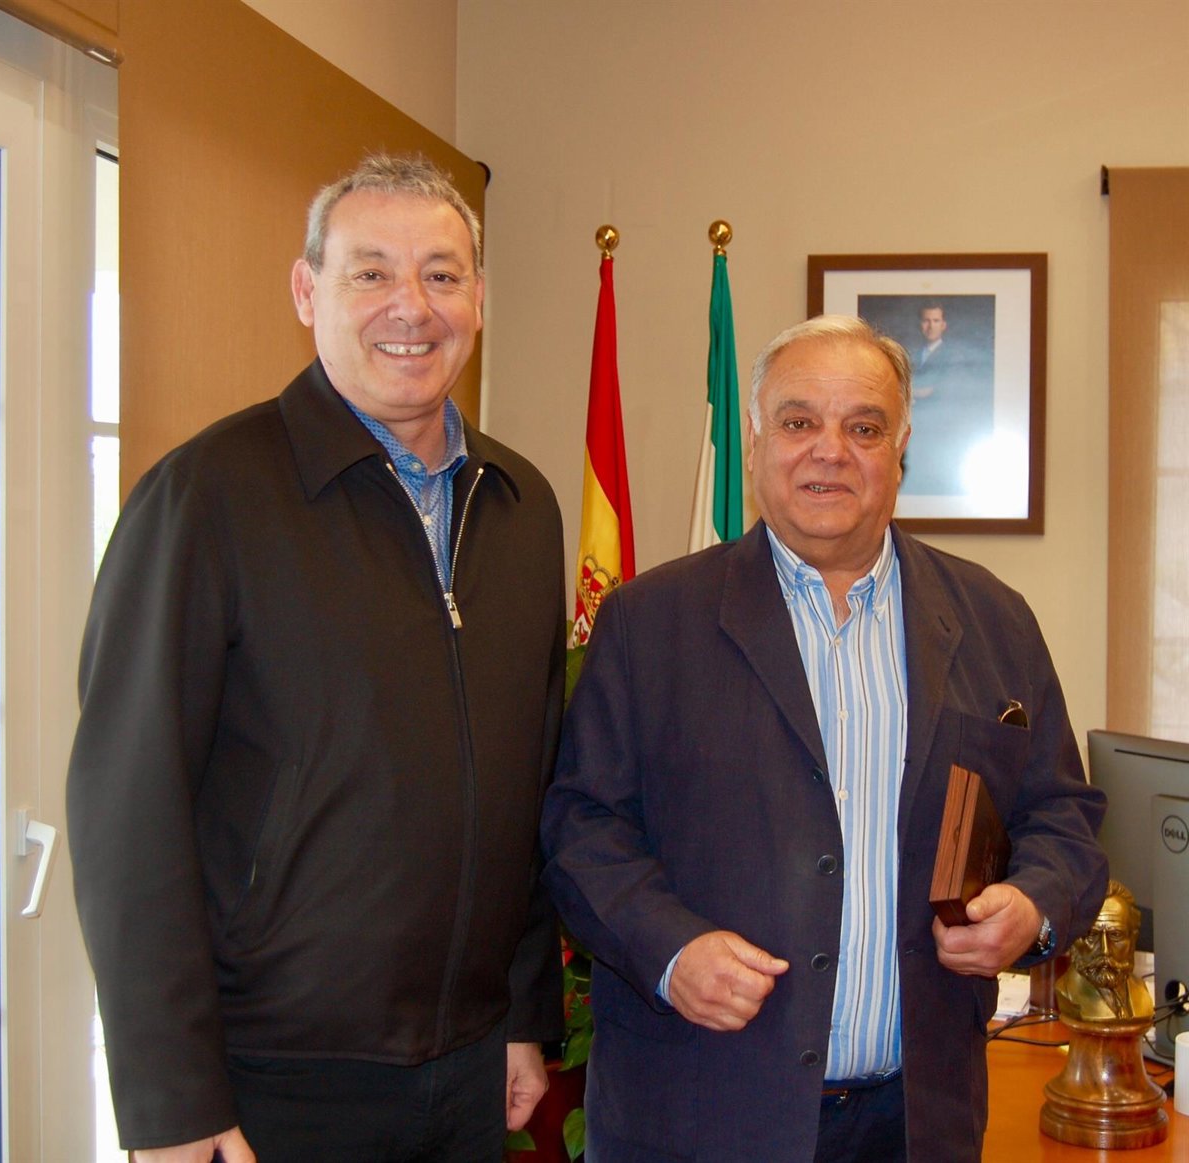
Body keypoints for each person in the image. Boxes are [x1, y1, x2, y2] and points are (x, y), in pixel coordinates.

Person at [66, 154, 567, 1163]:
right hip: (272, 1081)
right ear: (308, 291)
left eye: (441, 273)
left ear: (478, 297)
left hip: (469, 1072)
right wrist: (173, 1098)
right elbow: (129, 809)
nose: (410, 306)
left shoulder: (520, 505)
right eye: (370, 271)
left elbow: (527, 779)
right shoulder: (207, 497)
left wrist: (521, 1006)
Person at [541, 315, 1107, 1162]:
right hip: (698, 1115)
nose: (830, 450)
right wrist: (670, 950)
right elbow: (581, 828)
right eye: (799, 421)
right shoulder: (647, 622)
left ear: (901, 449)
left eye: (864, 427)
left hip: (916, 1123)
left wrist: (1032, 906)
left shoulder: (995, 619)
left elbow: (1063, 817)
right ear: (756, 441)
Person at [901, 299, 994, 498]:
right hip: (915, 430)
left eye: (935, 321)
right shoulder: (910, 355)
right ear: (920, 325)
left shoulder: (953, 357)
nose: (931, 326)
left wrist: (910, 393)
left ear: (943, 325)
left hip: (939, 429)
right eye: (926, 321)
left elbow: (940, 391)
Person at [1056, 881, 1153, 1022]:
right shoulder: (1066, 991)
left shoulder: (1141, 991)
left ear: (1133, 938)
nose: (1105, 951)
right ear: (1074, 939)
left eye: (1116, 935)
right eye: (1092, 935)